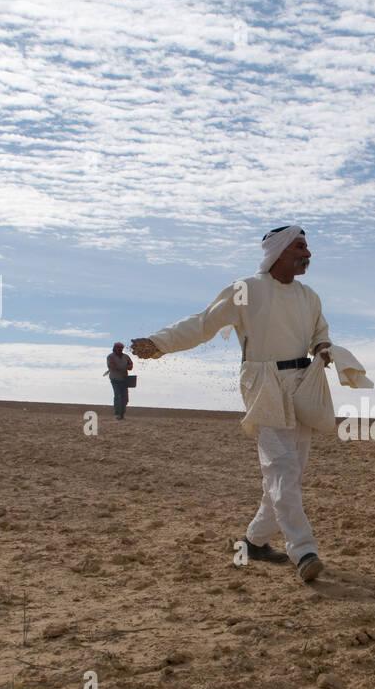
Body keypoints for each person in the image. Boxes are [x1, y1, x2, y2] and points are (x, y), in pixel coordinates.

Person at [131, 225, 332, 582]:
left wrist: (322, 348)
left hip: (302, 385)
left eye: (307, 247)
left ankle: (255, 541)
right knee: (282, 469)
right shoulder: (247, 289)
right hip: (263, 385)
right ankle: (304, 550)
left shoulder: (310, 297)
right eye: (300, 246)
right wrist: (158, 343)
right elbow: (204, 323)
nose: (308, 254)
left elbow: (320, 332)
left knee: (289, 472)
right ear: (279, 251)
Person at [106, 341, 134, 420]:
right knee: (118, 396)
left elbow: (131, 365)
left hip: (125, 379)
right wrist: (123, 368)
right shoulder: (110, 357)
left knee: (125, 398)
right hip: (115, 379)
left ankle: (122, 414)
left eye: (121, 348)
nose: (119, 349)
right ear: (114, 348)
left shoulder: (126, 357)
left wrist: (127, 367)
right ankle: (117, 413)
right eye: (118, 348)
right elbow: (112, 366)